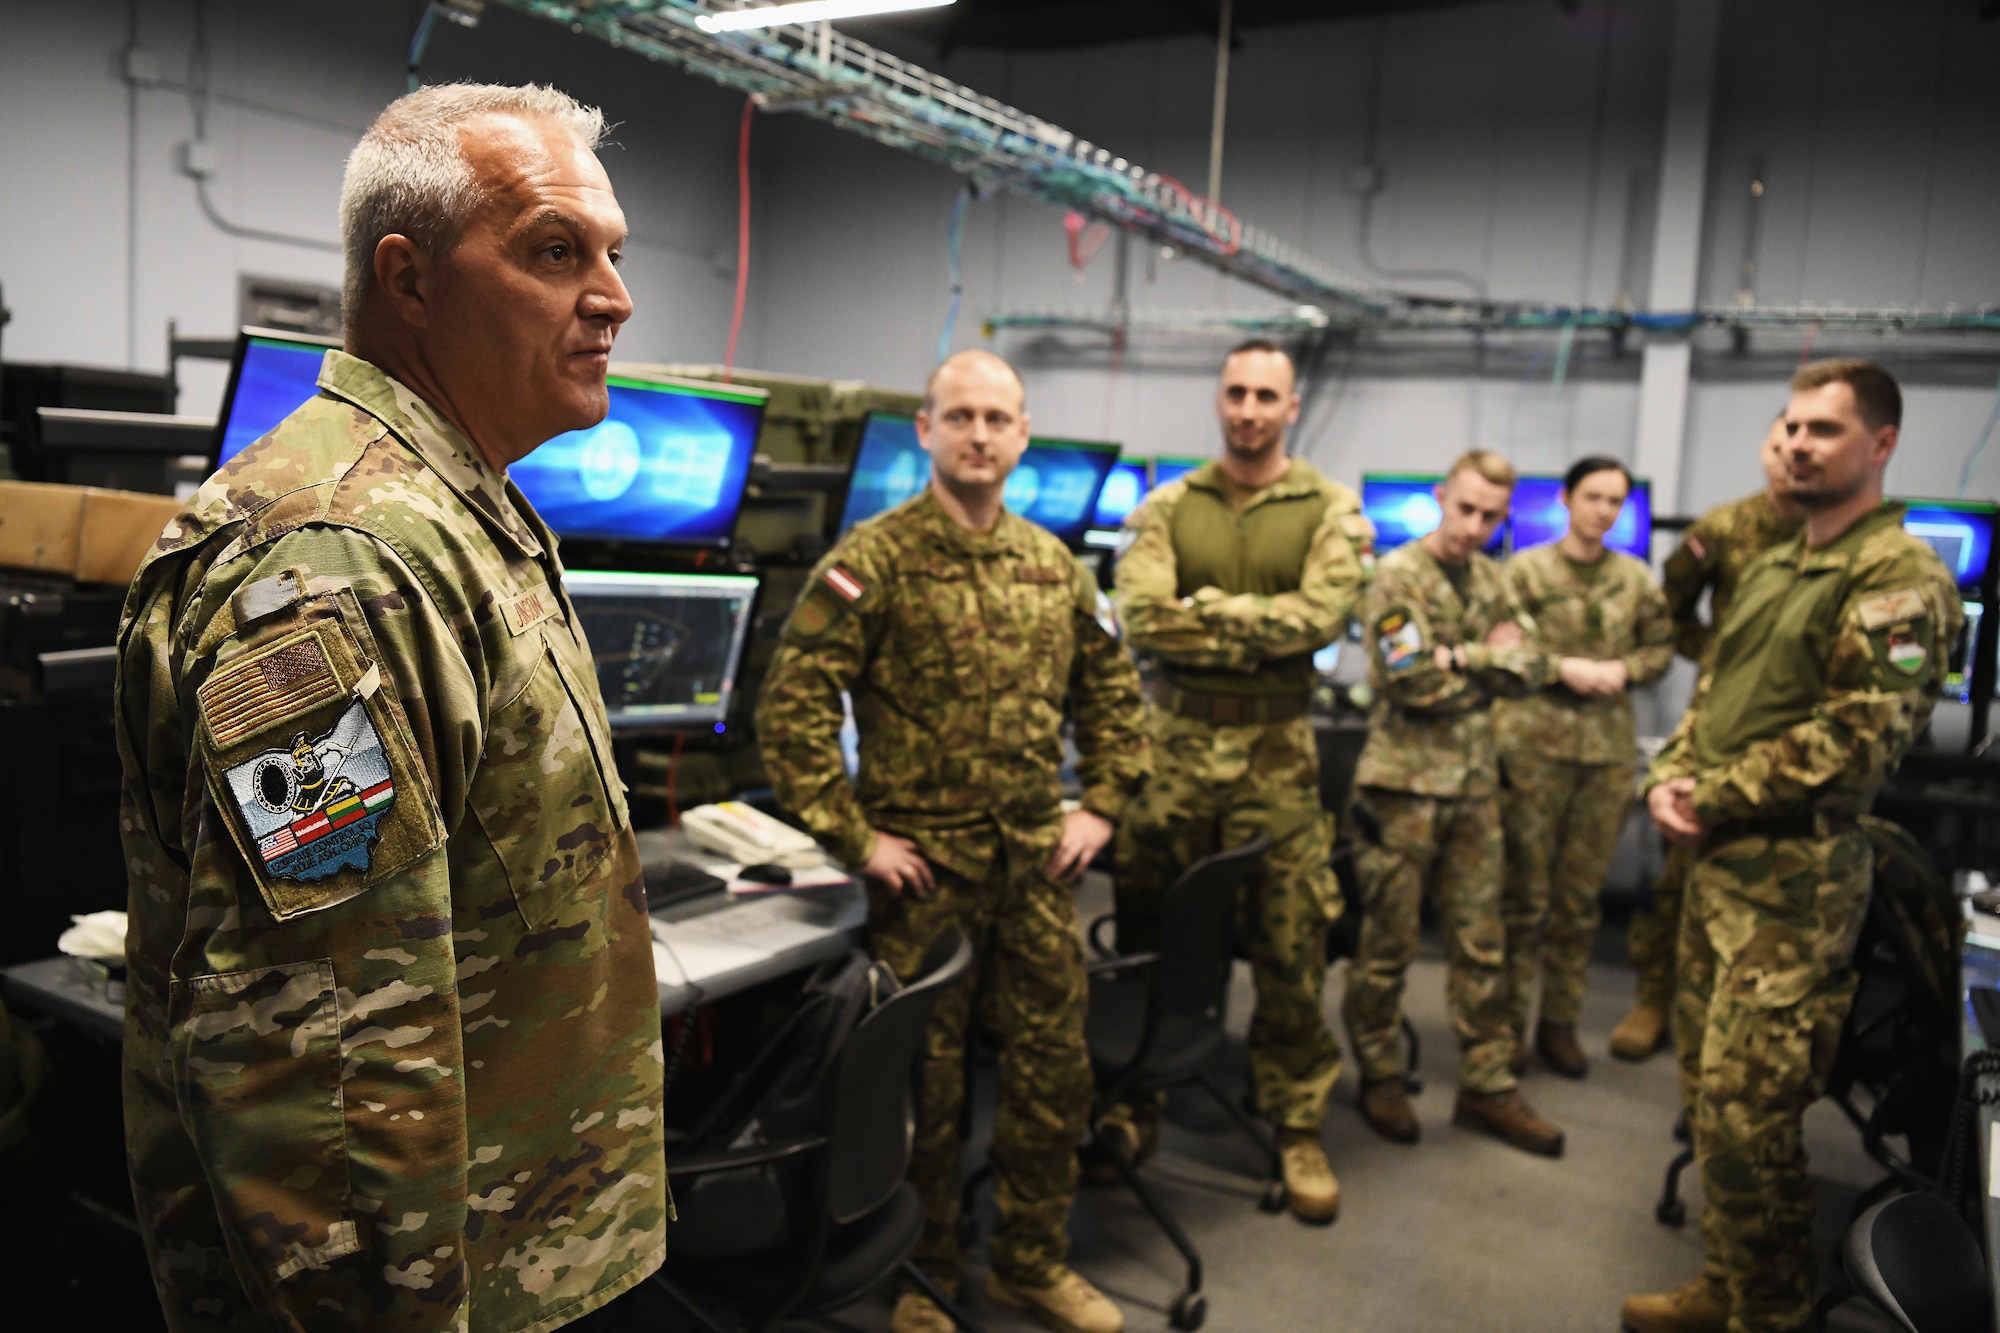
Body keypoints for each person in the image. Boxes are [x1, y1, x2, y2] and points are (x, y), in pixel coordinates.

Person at [114, 85, 668, 1331]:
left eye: (613, 254)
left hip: (521, 1247)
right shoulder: (338, 559)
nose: (614, 297)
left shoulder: (453, 509)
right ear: (407, 281)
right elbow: (328, 1061)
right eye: (554, 251)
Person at [757, 349, 1147, 1333]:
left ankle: (1030, 1259)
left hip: (1033, 867)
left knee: (1054, 1074)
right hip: (923, 875)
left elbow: (1112, 695)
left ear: (1021, 437)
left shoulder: (1055, 565)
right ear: (925, 431)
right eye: (959, 415)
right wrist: (853, 836)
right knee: (923, 1093)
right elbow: (792, 704)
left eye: (997, 418)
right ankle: (920, 1272)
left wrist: (1099, 802)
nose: (979, 433)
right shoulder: (872, 559)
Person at [1622, 360, 1961, 1333]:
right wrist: (1665, 776)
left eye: (1823, 428)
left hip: (1795, 881)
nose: (1799, 443)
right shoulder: (1772, 562)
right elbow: (1712, 698)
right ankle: (1729, 1282)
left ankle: (1765, 1310)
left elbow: (1856, 741)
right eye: (1790, 425)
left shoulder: (1898, 578)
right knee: (1706, 1094)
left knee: (1750, 1108)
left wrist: (1710, 791)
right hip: (1716, 866)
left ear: (1879, 445)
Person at [1110, 339, 1375, 1224]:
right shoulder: (1169, 503)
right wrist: (1262, 627)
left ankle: (1297, 1121)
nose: (1249, 408)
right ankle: (1134, 1097)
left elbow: (1325, 617)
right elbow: (1142, 614)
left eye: (1267, 394)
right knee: (1151, 929)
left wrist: (1211, 611)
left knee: (1293, 940)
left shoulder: (1329, 506)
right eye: (1236, 392)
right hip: (1174, 747)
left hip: (1279, 757)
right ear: (1218, 398)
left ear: (1292, 405)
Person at [1340, 450, 1614, 1157]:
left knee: (1481, 943)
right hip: (1402, 790)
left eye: (1492, 515)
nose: (1475, 526)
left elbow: (1532, 665)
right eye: (1464, 509)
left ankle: (1487, 1083)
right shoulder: (1399, 574)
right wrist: (1484, 660)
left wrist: (1460, 657)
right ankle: (1379, 1071)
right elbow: (1409, 683)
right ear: (1441, 497)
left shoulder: (1494, 577)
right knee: (1388, 945)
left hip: (1473, 787)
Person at [1609, 419, 1803, 1061]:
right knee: (1678, 868)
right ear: (1765, 449)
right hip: (1719, 718)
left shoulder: (1833, 538)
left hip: (1798, 727)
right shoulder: (1721, 530)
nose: (1790, 458)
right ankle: (1654, 995)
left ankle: (1748, 1016)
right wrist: (1716, 656)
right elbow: (1670, 606)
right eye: (1779, 444)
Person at [1496, 457, 1674, 1078]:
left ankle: (1560, 1025)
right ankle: (1509, 1027)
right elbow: (1502, 646)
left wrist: (1625, 670)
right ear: (1567, 499)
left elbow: (1660, 648)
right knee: (1522, 898)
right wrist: (1559, 668)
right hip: (1532, 749)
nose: (1604, 510)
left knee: (1577, 903)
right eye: (1593, 496)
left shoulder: (1635, 579)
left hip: (1603, 755)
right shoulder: (1525, 572)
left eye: (1615, 501)